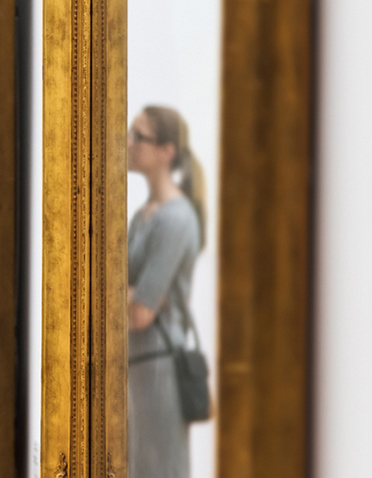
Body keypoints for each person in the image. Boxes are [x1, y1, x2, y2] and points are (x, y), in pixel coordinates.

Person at [125, 105, 206, 478]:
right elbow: (127, 296)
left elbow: (140, 313)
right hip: (136, 367)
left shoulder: (177, 218)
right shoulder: (143, 215)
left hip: (159, 369)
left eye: (139, 136)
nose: (128, 143)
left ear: (165, 152)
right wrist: (133, 296)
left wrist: (135, 297)